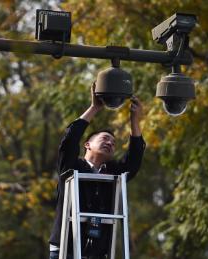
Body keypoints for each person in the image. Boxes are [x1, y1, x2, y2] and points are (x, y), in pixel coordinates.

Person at [49, 82, 146, 259]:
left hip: (98, 254)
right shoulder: (71, 167)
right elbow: (69, 141)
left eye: (113, 143)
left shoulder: (114, 173)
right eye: (104, 138)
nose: (110, 143)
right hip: (65, 251)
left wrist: (135, 121)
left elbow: (134, 161)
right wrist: (94, 107)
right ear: (87, 145)